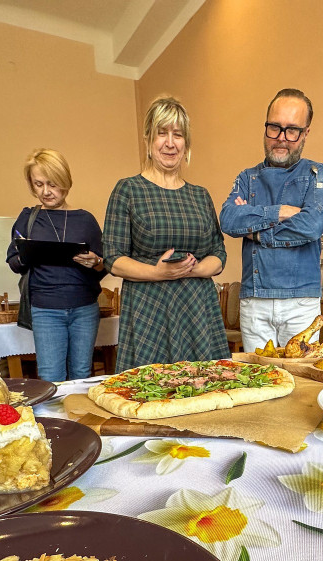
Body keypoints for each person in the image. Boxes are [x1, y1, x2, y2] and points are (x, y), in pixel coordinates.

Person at [103, 96, 229, 371]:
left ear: (186, 143)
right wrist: (158, 273)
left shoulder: (200, 195)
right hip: (149, 309)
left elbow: (219, 254)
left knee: (205, 387)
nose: (170, 143)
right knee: (150, 389)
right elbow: (113, 258)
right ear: (148, 138)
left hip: (198, 309)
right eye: (162, 133)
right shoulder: (128, 190)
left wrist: (194, 270)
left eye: (178, 135)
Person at [219, 88, 323, 354]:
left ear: (305, 133)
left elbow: (311, 226)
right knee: (259, 376)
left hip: (302, 301)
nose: (281, 138)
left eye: (292, 130)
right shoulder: (247, 177)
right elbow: (229, 220)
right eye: (275, 127)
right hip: (254, 300)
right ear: (265, 127)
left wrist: (255, 231)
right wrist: (280, 211)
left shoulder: (318, 174)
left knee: (302, 374)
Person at [5, 149, 105, 382]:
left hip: (85, 308)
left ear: (65, 182)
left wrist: (96, 261)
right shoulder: (28, 218)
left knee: (82, 375)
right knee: (51, 377)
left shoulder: (85, 220)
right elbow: (14, 262)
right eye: (38, 184)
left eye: (52, 184)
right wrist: (27, 254)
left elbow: (105, 266)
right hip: (45, 309)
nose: (46, 192)